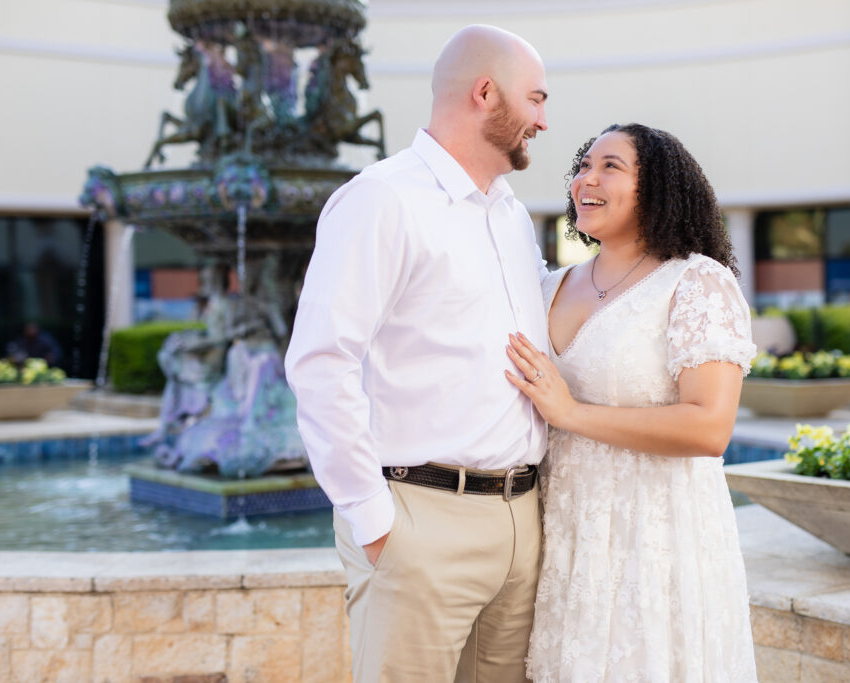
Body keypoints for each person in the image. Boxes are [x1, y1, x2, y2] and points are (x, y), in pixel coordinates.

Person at [284, 24, 550, 682]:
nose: (544, 120)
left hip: (524, 519)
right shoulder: (381, 199)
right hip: (418, 520)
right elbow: (321, 364)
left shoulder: (513, 216)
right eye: (537, 99)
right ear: (486, 94)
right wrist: (375, 521)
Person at [505, 124, 758, 681]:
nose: (586, 179)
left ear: (659, 188)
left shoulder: (696, 282)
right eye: (584, 165)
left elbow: (710, 427)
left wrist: (570, 413)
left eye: (611, 167)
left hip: (658, 538)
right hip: (564, 534)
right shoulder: (547, 286)